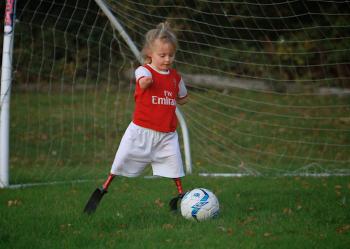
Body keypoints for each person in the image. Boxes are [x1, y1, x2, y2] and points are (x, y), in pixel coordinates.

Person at [84, 22, 188, 214]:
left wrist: (181, 97)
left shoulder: (176, 77)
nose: (167, 59)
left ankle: (181, 197)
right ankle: (103, 188)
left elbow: (182, 98)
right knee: (121, 160)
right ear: (150, 53)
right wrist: (147, 82)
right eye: (162, 55)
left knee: (175, 165)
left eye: (170, 55)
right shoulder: (144, 71)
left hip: (167, 134)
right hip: (141, 131)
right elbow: (143, 82)